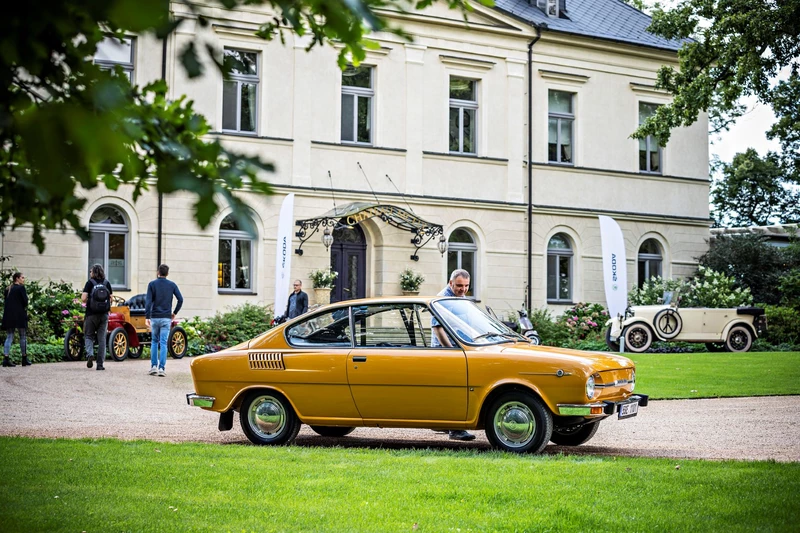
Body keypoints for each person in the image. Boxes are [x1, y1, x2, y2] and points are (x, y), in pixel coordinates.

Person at [431, 269, 475, 442]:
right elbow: (437, 328)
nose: (463, 289)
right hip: (445, 351)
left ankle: (445, 423)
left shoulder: (461, 298)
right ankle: (455, 429)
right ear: (450, 283)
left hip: (458, 348)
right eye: (459, 286)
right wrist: (450, 351)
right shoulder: (443, 299)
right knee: (456, 389)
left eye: (466, 286)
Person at [145, 264, 183, 377]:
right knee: (163, 343)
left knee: (154, 341)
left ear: (158, 272)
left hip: (155, 317)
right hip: (166, 317)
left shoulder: (152, 284)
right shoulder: (172, 285)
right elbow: (180, 299)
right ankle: (162, 368)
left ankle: (153, 367)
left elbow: (148, 302)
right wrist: (174, 313)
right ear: (167, 273)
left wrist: (147, 316)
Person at [82, 264, 113, 370]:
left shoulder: (90, 283)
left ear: (93, 273)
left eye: (91, 271)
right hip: (104, 315)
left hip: (91, 314)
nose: (90, 273)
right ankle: (100, 364)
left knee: (89, 336)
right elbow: (111, 299)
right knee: (102, 339)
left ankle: (90, 354)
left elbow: (83, 298)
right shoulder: (106, 283)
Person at [2, 272, 30, 367]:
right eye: (22, 277)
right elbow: (25, 301)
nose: (23, 279)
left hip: (9, 315)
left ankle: (6, 358)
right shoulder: (21, 288)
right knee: (22, 336)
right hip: (19, 315)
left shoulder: (8, 288)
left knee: (9, 336)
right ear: (17, 278)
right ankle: (24, 358)